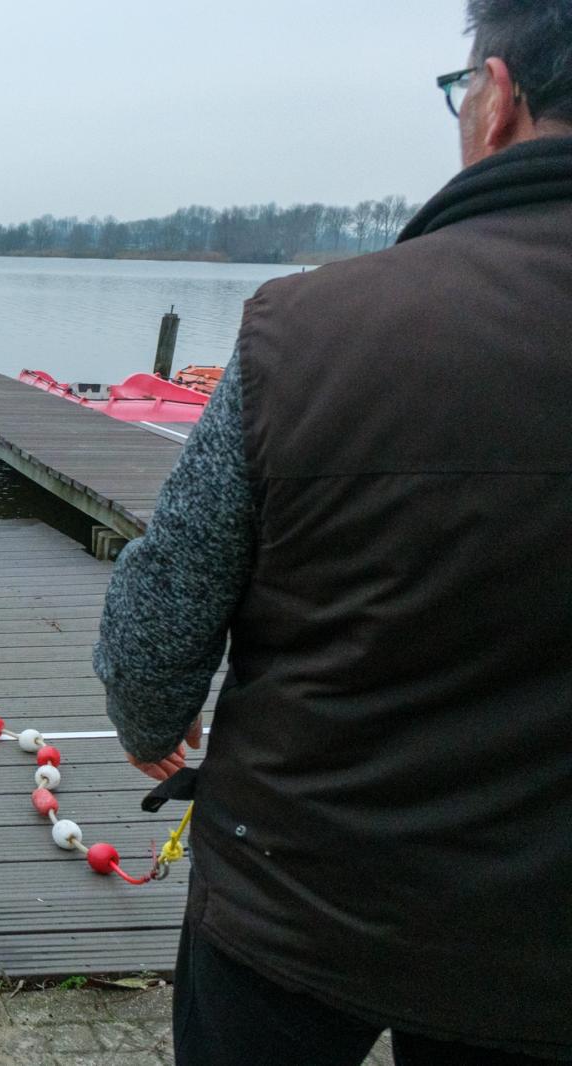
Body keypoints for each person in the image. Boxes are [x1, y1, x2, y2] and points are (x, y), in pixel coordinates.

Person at [92, 2, 572, 1063]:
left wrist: (146, 720)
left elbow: (162, 615)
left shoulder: (305, 329)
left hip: (297, 899)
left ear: (497, 98)